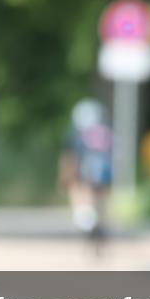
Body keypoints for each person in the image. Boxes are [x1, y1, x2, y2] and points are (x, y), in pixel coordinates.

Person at [59, 98, 113, 236]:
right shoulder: (106, 132)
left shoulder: (75, 134)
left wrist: (64, 177)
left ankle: (83, 214)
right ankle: (99, 219)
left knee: (78, 187)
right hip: (104, 172)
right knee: (101, 194)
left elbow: (70, 157)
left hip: (84, 169)